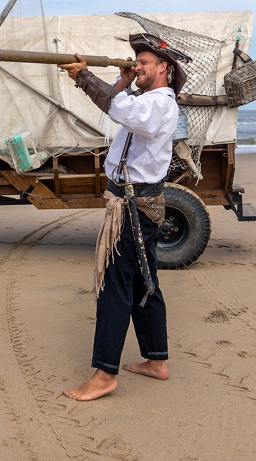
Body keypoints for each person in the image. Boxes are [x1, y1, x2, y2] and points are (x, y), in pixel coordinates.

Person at [58, 32, 187, 401]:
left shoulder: (160, 103)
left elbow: (123, 110)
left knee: (115, 286)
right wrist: (123, 81)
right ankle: (156, 360)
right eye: (138, 62)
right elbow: (121, 104)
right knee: (143, 282)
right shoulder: (145, 100)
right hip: (135, 203)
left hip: (134, 207)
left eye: (145, 63)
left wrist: (84, 77)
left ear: (165, 68)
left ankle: (104, 374)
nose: (139, 66)